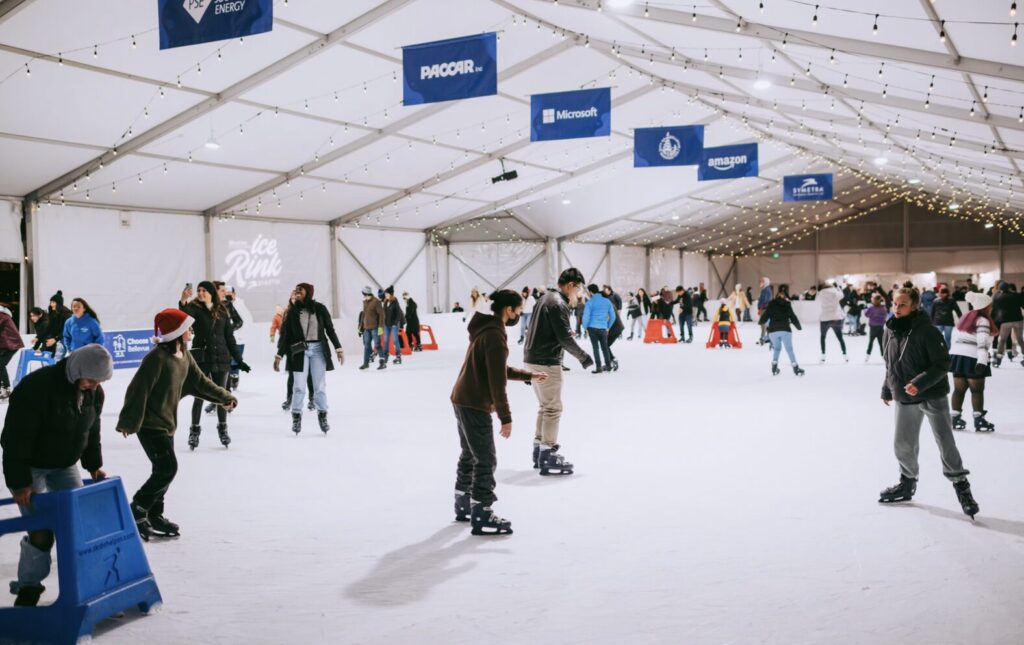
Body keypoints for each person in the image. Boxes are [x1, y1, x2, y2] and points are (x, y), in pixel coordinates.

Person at [1, 344, 113, 606]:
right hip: (31, 465)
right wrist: (20, 483)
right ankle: (28, 587)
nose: (96, 385)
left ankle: (86, 585)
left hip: (64, 464)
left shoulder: (94, 393)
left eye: (101, 380)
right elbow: (16, 439)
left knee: (78, 526)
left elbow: (91, 430)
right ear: (76, 371)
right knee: (41, 531)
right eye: (91, 379)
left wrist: (93, 464)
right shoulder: (36, 388)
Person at [117, 310, 238, 540]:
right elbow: (138, 389)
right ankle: (138, 509)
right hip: (149, 425)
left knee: (162, 470)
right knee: (167, 469)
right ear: (178, 332)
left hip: (167, 423)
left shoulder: (184, 355)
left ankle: (155, 514)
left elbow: (200, 382)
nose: (191, 330)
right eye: (188, 327)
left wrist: (224, 396)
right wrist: (128, 422)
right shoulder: (156, 359)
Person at [450, 290, 545, 536]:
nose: (520, 313)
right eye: (519, 309)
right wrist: (506, 418)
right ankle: (481, 512)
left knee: (470, 453)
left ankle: (463, 503)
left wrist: (528, 375)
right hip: (474, 402)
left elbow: (496, 368)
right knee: (485, 458)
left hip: (462, 398)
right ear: (508, 310)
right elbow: (496, 382)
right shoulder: (494, 336)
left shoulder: (486, 328)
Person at [878, 288, 978, 519]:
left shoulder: (928, 331)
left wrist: (920, 382)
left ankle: (962, 487)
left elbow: (943, 363)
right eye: (895, 303)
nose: (897, 308)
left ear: (915, 306)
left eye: (902, 304)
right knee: (903, 443)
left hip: (932, 395)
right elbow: (890, 363)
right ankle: (907, 483)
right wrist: (887, 387)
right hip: (904, 395)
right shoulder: (890, 330)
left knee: (946, 443)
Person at [523, 268, 594, 475]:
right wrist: (584, 357)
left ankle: (539, 450)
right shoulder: (559, 303)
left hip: (533, 358)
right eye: (578, 288)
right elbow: (564, 338)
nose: (579, 293)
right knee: (553, 408)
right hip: (546, 361)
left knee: (545, 407)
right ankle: (548, 453)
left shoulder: (545, 298)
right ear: (571, 285)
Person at [178, 281, 251, 449]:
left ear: (211, 292)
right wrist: (183, 300)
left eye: (204, 290)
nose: (201, 293)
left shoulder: (222, 310)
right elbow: (183, 315)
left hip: (222, 358)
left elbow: (229, 338)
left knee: (222, 395)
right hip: (203, 359)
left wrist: (239, 361)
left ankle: (223, 429)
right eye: (199, 290)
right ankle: (194, 431)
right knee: (199, 395)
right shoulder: (194, 309)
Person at [274, 283, 344, 434]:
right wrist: (279, 354)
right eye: (296, 290)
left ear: (309, 292)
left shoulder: (319, 308)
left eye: (301, 290)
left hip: (318, 349)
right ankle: (296, 417)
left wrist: (338, 348)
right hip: (300, 351)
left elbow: (330, 330)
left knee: (319, 386)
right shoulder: (292, 311)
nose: (297, 292)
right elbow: (286, 336)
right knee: (299, 386)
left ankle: (322, 416)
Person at [949, 291, 997, 432]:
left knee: (959, 390)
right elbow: (982, 343)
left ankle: (955, 418)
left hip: (958, 357)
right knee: (977, 390)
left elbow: (954, 338)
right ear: (985, 306)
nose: (991, 307)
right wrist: (982, 361)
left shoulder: (964, 317)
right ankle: (979, 420)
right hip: (973, 357)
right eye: (990, 305)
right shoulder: (983, 320)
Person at [759, 292, 804, 376]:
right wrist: (798, 327)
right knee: (789, 350)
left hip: (773, 331)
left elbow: (766, 314)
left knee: (777, 349)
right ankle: (796, 368)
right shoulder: (787, 304)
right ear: (785, 297)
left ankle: (774, 367)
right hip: (785, 330)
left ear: (776, 297)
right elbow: (792, 316)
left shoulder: (771, 304)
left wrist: (761, 321)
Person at [582, 284, 614, 374]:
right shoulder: (607, 301)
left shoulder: (590, 302)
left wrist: (585, 328)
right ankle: (608, 366)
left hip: (592, 328)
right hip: (603, 328)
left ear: (591, 292)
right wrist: (608, 326)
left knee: (595, 348)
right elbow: (613, 316)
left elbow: (586, 317)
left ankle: (599, 367)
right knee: (605, 347)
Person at [991, 282, 1023, 368]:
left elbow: (994, 309)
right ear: (1008, 288)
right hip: (1018, 320)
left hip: (1006, 321)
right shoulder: (1016, 295)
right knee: (1020, 339)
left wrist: (993, 319)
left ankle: (998, 358)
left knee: (1002, 340)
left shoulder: (997, 296)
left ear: (1000, 289)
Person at [817, 283, 848, 362]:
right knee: (840, 338)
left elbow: (817, 298)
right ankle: (845, 355)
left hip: (825, 318)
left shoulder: (820, 293)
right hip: (836, 318)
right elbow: (842, 295)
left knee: (823, 337)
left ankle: (823, 355)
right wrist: (838, 288)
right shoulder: (836, 292)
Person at [359, 286, 386, 370]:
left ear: (368, 294)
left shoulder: (376, 302)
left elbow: (381, 315)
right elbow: (364, 315)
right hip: (366, 328)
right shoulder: (365, 302)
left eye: (365, 295)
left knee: (377, 345)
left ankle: (382, 362)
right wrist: (360, 327)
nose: (364, 297)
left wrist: (381, 327)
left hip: (375, 327)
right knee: (367, 346)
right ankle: (365, 363)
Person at [0, 305, 23, 399]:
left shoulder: (2, 316)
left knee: (0, 364)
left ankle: (6, 388)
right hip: (7, 344)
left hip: (10, 345)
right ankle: (4, 387)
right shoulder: (3, 315)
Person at [379, 287, 404, 366]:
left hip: (394, 325)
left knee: (395, 340)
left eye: (387, 294)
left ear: (391, 294)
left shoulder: (395, 302)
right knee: (386, 340)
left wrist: (395, 323)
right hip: (386, 324)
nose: (385, 295)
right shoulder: (386, 302)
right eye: (385, 294)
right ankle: (386, 355)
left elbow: (398, 314)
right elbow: (383, 313)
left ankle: (398, 356)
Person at [44, 291, 72, 360]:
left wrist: (55, 339)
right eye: (51, 302)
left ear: (58, 304)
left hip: (65, 339)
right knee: (48, 358)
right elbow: (49, 328)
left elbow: (66, 331)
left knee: (57, 357)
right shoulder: (53, 314)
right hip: (57, 339)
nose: (51, 304)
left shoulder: (67, 315)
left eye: (53, 302)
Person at [864, 294, 889, 362]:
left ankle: (867, 356)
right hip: (880, 327)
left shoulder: (871, 308)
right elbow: (885, 316)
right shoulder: (883, 308)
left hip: (873, 327)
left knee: (871, 342)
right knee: (881, 343)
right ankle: (884, 356)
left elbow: (866, 314)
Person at [756, 278, 773, 345]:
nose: (760, 283)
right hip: (765, 308)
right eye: (760, 281)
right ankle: (767, 338)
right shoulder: (766, 289)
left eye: (762, 281)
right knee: (765, 324)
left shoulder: (765, 290)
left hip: (764, 309)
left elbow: (765, 300)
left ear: (766, 282)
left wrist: (760, 308)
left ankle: (762, 339)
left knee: (763, 325)